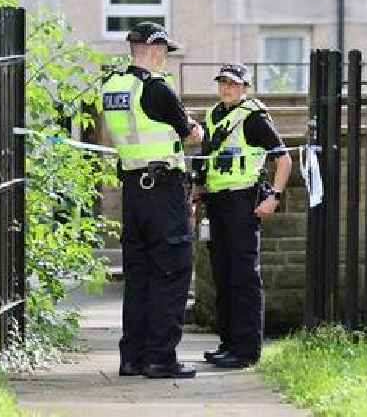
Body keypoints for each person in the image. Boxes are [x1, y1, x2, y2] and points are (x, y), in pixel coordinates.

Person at [101, 21, 203, 379]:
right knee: (173, 271)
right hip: (163, 191)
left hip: (132, 189)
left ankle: (133, 358)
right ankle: (161, 358)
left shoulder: (112, 86)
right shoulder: (157, 89)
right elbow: (190, 134)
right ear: (156, 49)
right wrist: (196, 129)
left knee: (139, 276)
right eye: (165, 52)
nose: (165, 59)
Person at [195, 63, 292, 368]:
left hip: (242, 200)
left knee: (244, 277)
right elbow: (206, 157)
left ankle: (247, 350)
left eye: (234, 84)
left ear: (245, 88)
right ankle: (228, 344)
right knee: (222, 276)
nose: (227, 89)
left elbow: (284, 158)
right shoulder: (214, 114)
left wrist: (274, 197)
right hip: (217, 201)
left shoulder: (253, 118)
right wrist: (197, 190)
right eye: (223, 83)